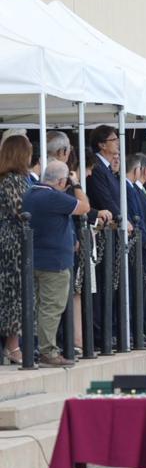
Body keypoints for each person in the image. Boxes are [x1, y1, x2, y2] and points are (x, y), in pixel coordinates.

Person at [25, 160, 89, 366]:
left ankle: (35, 348)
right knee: (52, 307)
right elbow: (84, 207)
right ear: (62, 181)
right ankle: (48, 352)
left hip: (34, 259)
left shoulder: (30, 194)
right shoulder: (53, 197)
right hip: (55, 262)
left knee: (38, 307)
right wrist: (77, 185)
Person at [0, 135, 30, 363]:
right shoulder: (13, 181)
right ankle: (13, 347)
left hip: (11, 239)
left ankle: (13, 346)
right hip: (14, 243)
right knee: (14, 294)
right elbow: (22, 210)